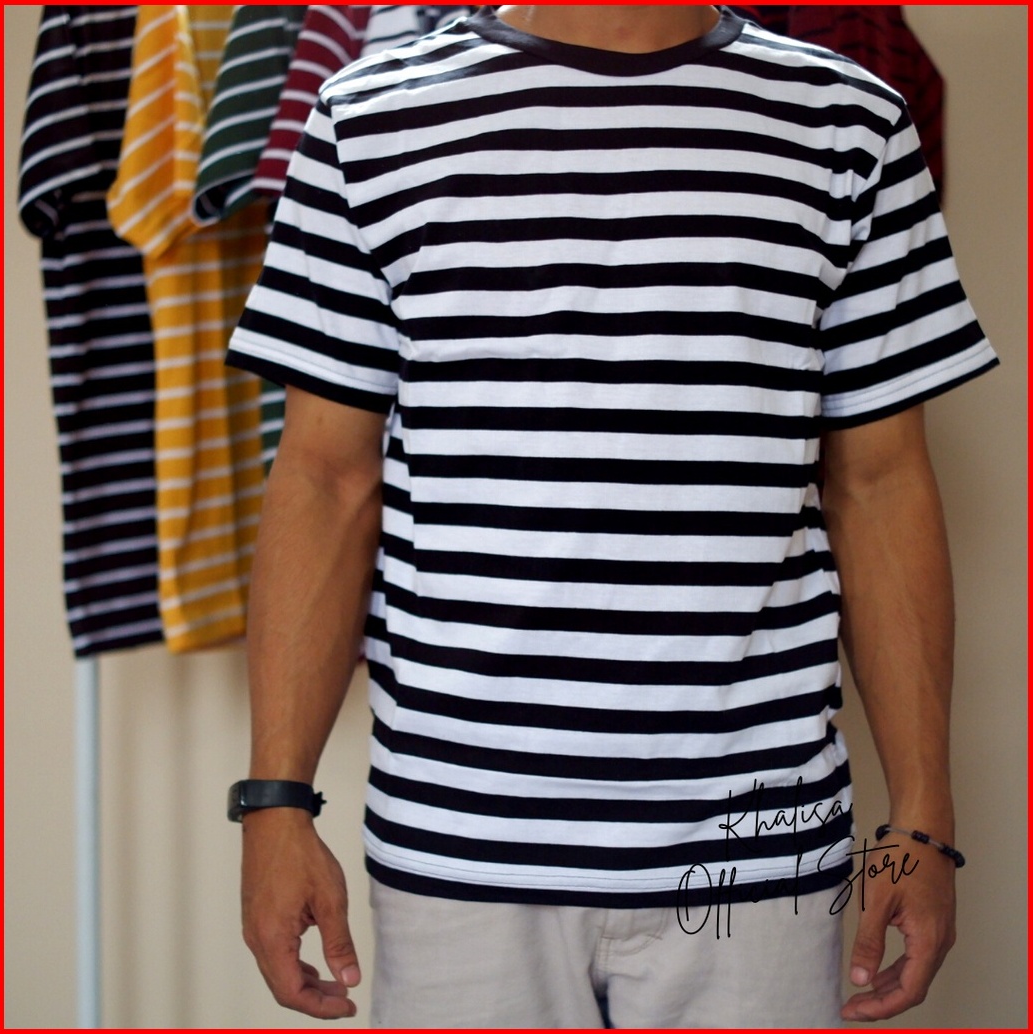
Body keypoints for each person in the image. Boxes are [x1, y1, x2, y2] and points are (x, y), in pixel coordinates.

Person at [225, 5, 997, 1027]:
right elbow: (324, 480)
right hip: (461, 838)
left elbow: (880, 482)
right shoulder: (369, 117)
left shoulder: (846, 120)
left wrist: (924, 820)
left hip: (753, 851)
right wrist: (274, 802)